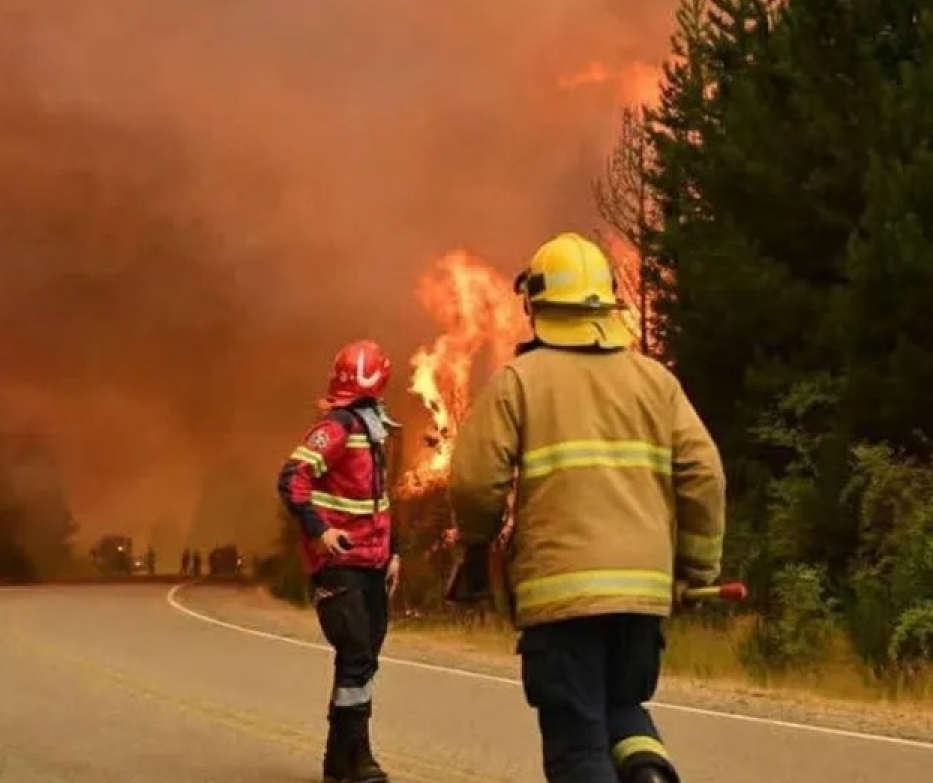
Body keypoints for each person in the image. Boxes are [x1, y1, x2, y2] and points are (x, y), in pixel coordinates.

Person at [446, 233, 726, 783]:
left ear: (537, 305)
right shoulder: (655, 381)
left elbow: (475, 483)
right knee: (623, 708)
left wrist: (478, 549)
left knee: (578, 744)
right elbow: (704, 475)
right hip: (642, 597)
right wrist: (697, 570)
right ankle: (648, 773)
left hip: (562, 598)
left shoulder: (520, 383)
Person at [277, 339, 402, 783]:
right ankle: (358, 759)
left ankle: (339, 763)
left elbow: (382, 500)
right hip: (340, 564)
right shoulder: (335, 428)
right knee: (355, 654)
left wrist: (395, 552)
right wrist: (321, 531)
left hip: (373, 563)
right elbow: (293, 477)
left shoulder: (375, 430)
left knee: (363, 661)